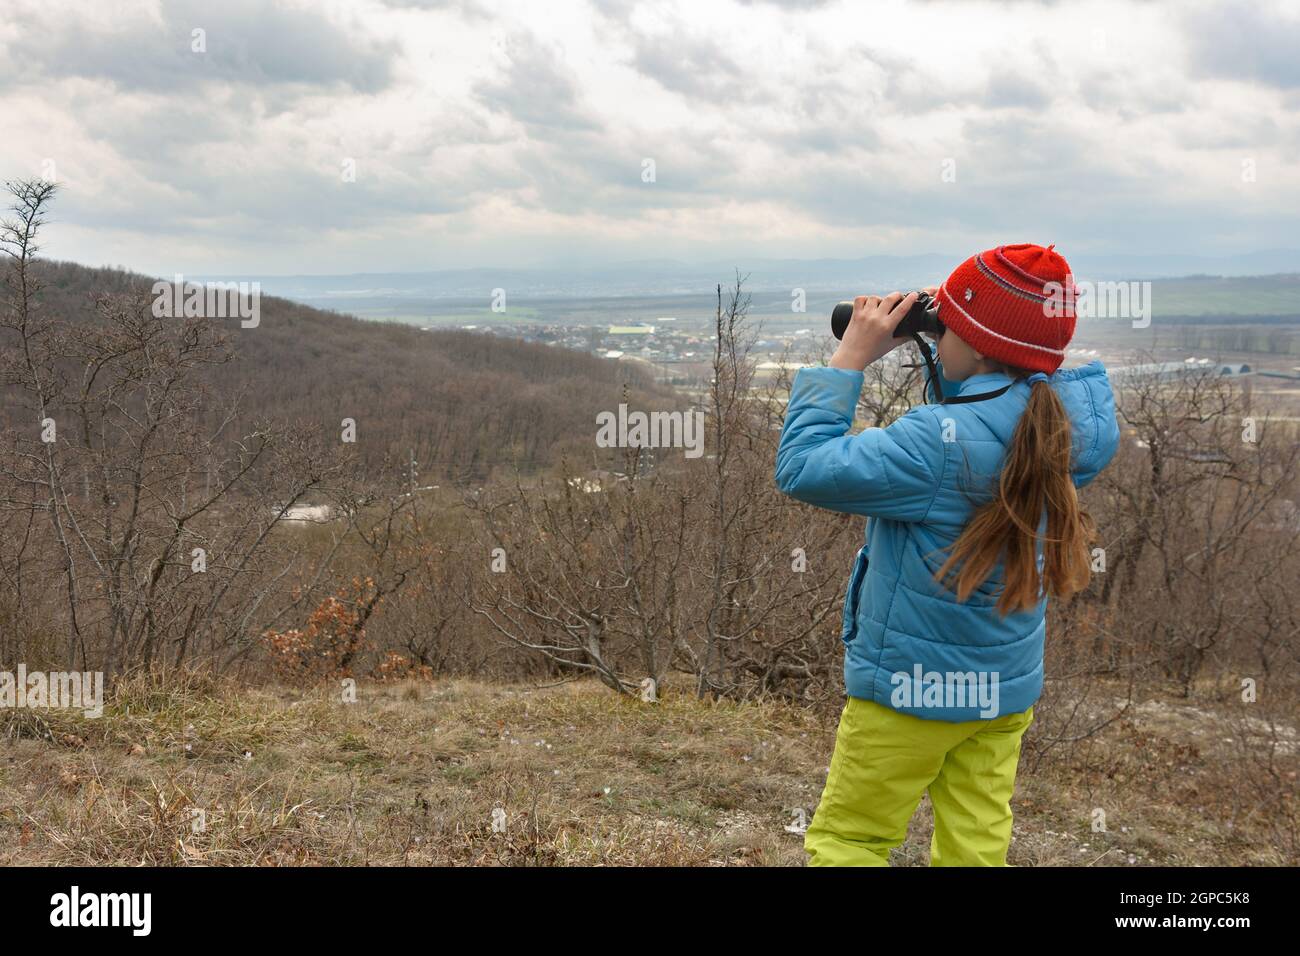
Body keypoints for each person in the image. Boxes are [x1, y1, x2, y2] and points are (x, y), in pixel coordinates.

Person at [775, 243, 1120, 866]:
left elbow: (802, 468)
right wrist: (955, 347)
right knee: (975, 844)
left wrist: (852, 356)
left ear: (980, 345)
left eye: (947, 326)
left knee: (852, 839)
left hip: (911, 692)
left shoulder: (932, 444)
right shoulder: (1064, 430)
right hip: (1001, 695)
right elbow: (987, 408)